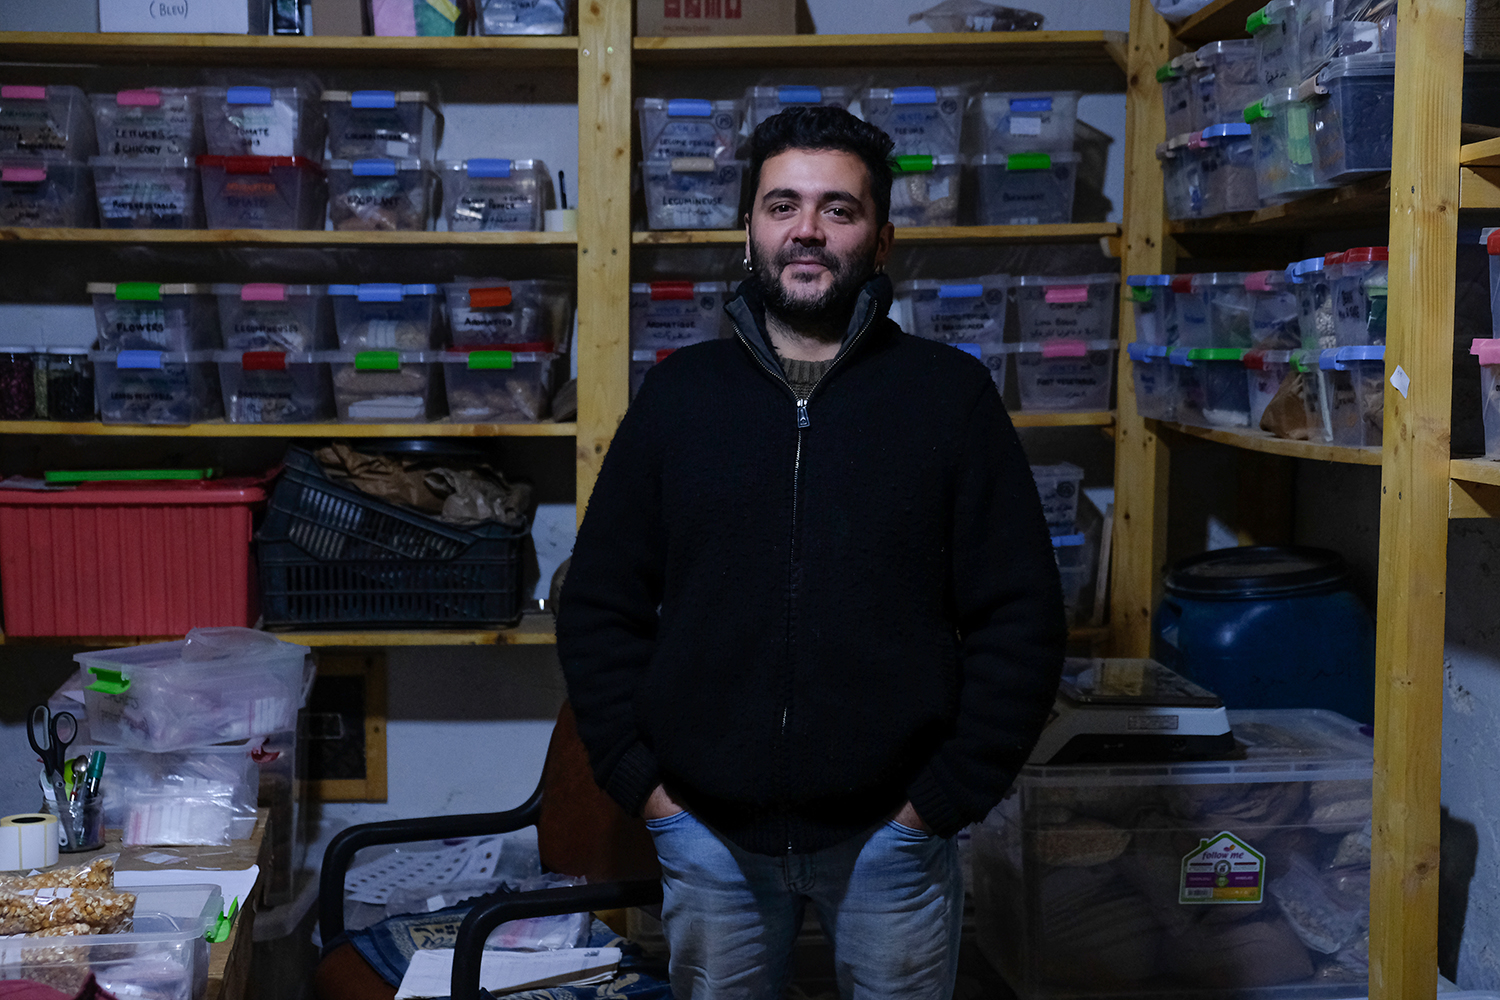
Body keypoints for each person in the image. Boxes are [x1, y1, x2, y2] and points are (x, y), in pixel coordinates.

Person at [557, 106, 1067, 1000]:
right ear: (748, 228)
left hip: (893, 840)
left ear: (880, 238)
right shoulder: (681, 398)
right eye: (782, 204)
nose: (806, 229)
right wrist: (650, 795)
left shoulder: (949, 397)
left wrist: (941, 803)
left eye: (839, 209)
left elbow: (1019, 617)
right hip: (706, 836)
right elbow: (598, 603)